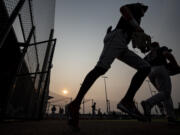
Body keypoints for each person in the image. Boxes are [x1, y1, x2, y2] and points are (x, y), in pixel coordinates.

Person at [66, 3, 150, 131]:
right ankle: (75, 104)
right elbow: (123, 9)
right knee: (101, 68)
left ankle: (127, 101)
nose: (144, 12)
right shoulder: (136, 8)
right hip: (116, 37)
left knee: (145, 67)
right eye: (144, 10)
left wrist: (142, 47)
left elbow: (134, 40)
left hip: (122, 43)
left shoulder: (138, 20)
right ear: (141, 7)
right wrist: (137, 27)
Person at [141, 42, 180, 124]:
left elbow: (141, 65)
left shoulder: (147, 56)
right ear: (157, 46)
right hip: (160, 69)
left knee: (164, 95)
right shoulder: (161, 49)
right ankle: (148, 103)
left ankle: (171, 117)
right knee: (166, 93)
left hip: (150, 73)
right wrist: (176, 66)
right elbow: (167, 54)